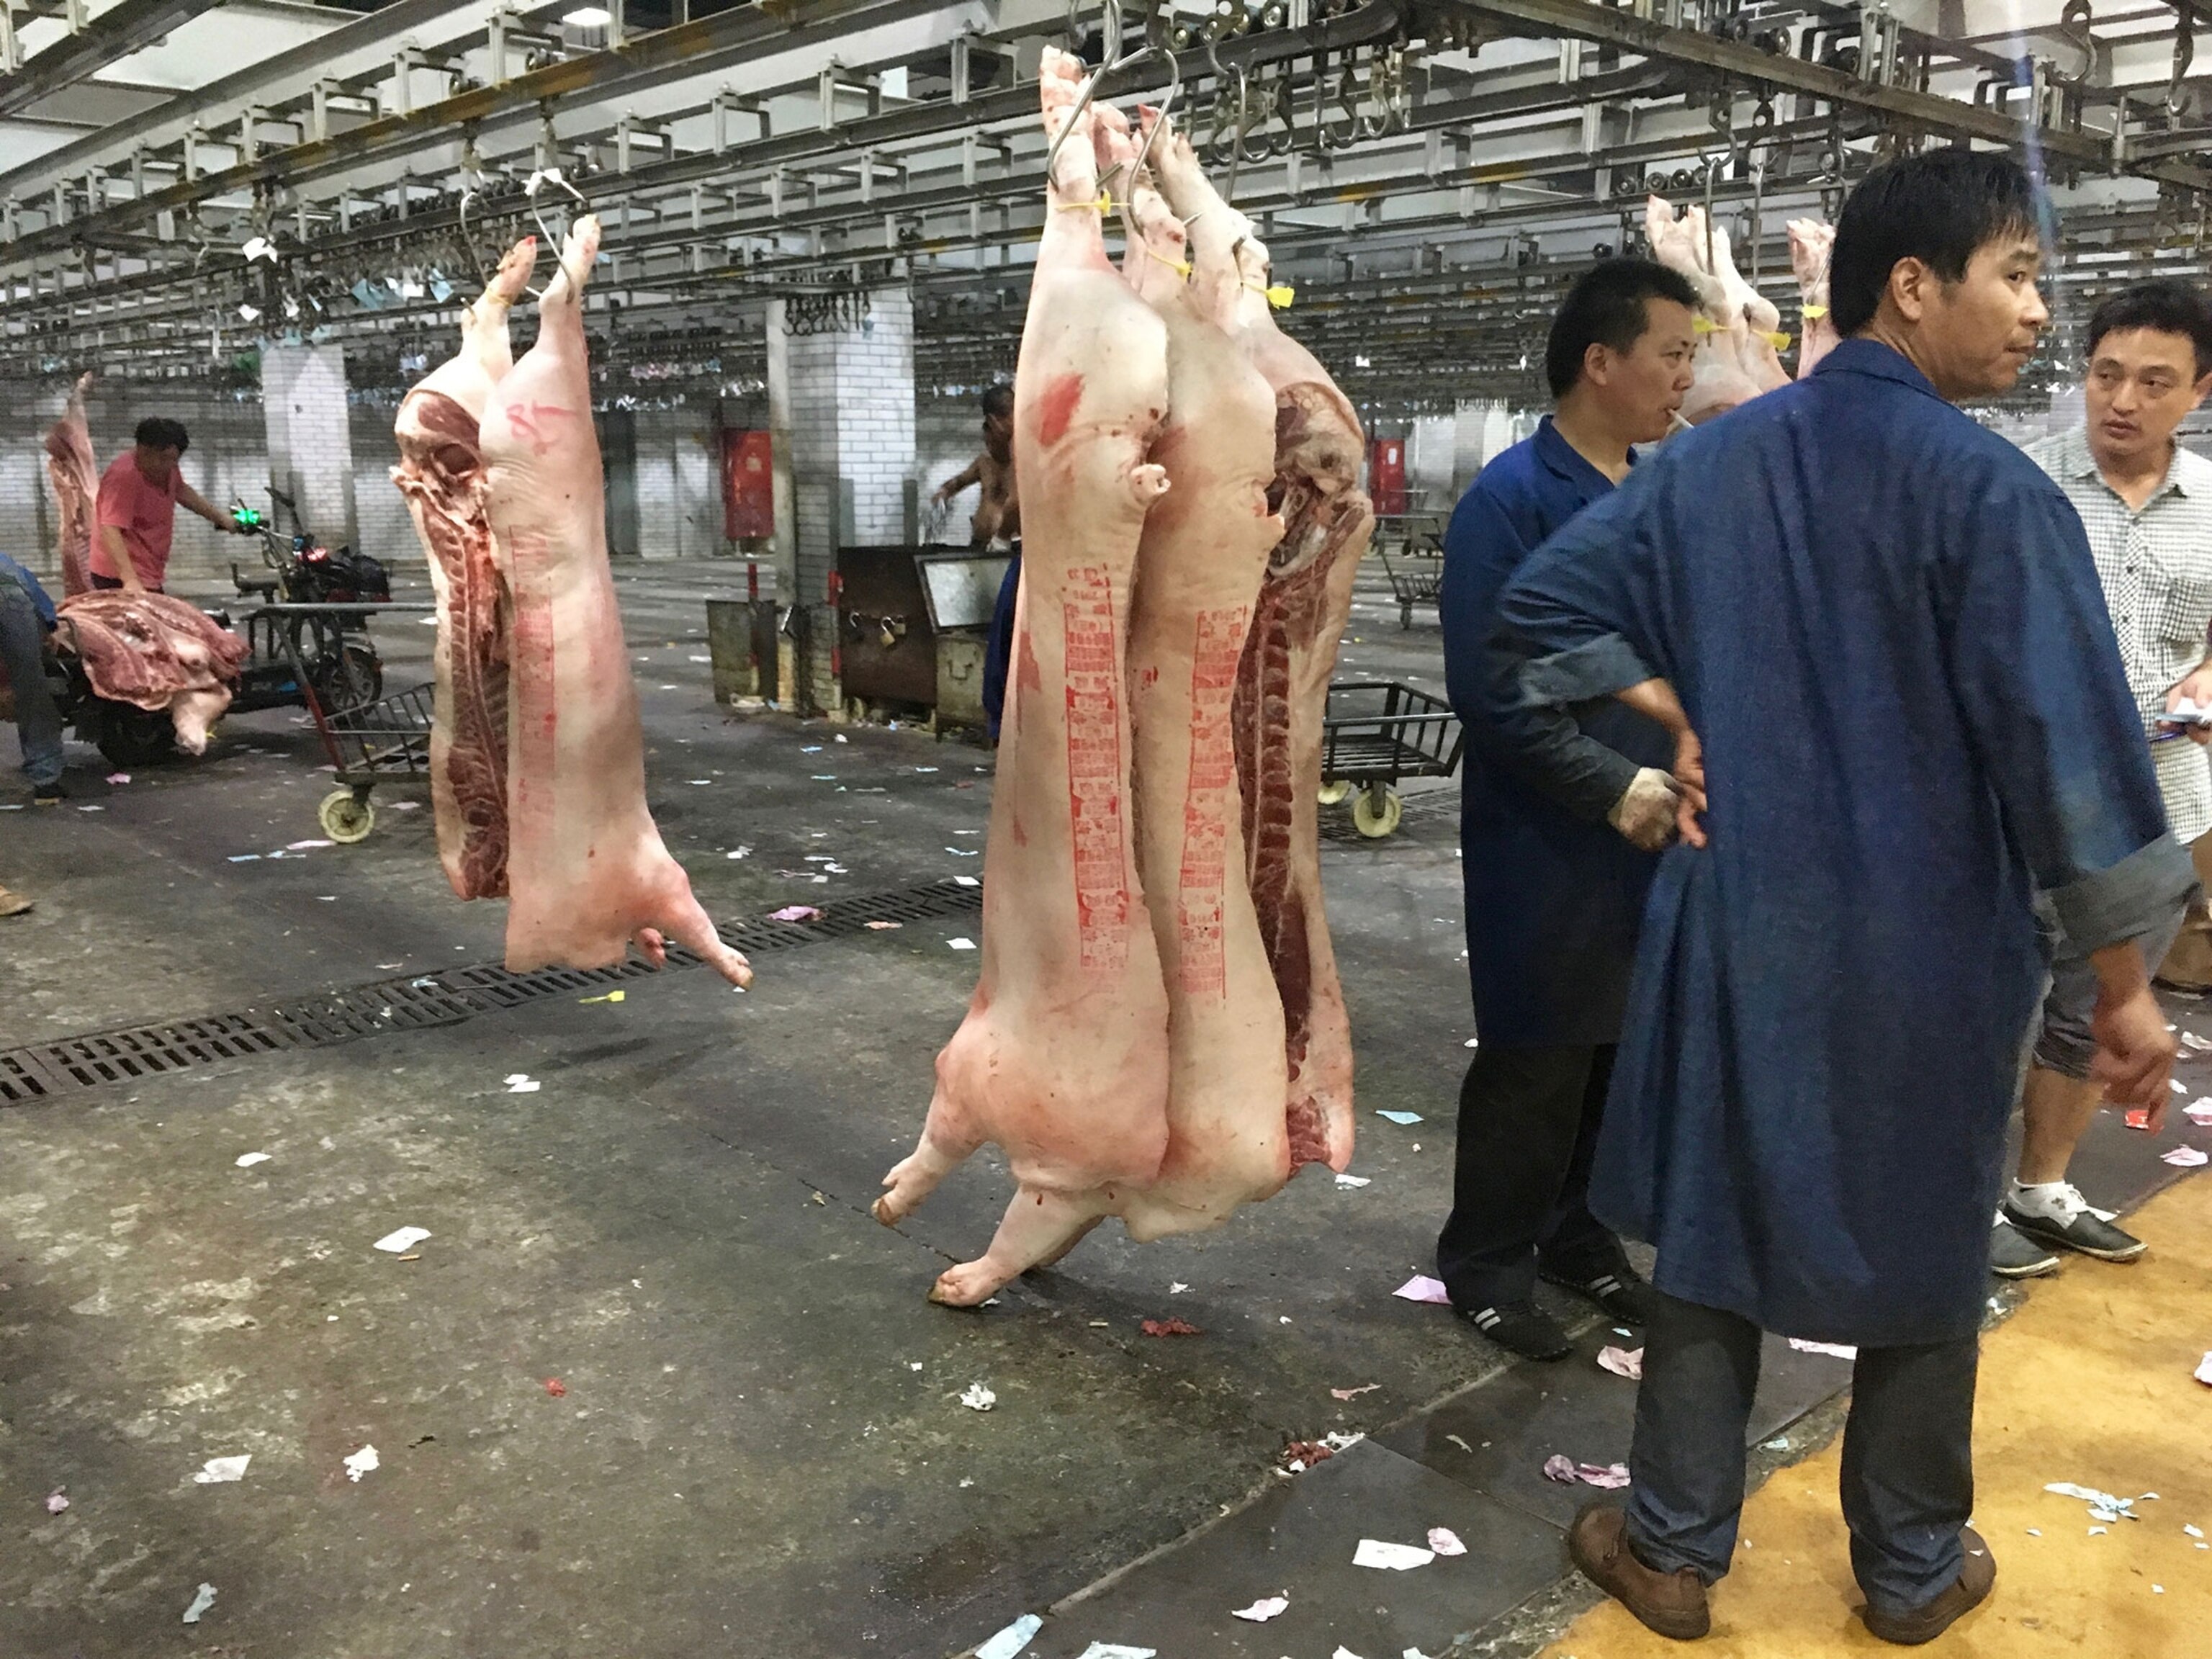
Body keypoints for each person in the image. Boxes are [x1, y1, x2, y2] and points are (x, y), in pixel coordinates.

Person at [1493, 150, 2188, 1645]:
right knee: (1925, 1245)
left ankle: (1671, 1548)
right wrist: (2123, 983)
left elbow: (1540, 615)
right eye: (2016, 277)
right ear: (1913, 287)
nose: (2035, 316)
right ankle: (1913, 1570)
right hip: (1930, 949)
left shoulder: (1704, 464)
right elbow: (2063, 751)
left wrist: (1669, 716)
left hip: (1738, 927)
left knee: (1714, 1234)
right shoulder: (1990, 493)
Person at [1434, 258, 1699, 1360]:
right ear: (1603, 362)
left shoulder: (1654, 489)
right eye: (1673, 354)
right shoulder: (1513, 499)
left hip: (1654, 827)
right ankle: (1487, 1259)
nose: (1687, 376)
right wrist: (1610, 784)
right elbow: (1496, 688)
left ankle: (1576, 1236)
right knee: (1536, 1055)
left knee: (1618, 1053)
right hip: (1547, 837)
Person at [1990, 279, 2212, 1276]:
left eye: (2154, 382)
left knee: (2090, 1015)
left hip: (2158, 806)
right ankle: (1954, 1201)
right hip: (2024, 814)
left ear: (2198, 392)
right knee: (1988, 1005)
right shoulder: (2020, 489)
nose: (2123, 399)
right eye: (2106, 374)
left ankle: (2041, 1186)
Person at [90, 416, 246, 595]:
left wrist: (222, 519)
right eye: (158, 458)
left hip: (148, 568)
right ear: (141, 450)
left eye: (171, 460)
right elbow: (110, 529)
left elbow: (180, 490)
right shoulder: (124, 477)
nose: (163, 465)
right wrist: (130, 580)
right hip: (118, 575)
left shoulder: (167, 467)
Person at [0, 549, 66, 806]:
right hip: (13, 603)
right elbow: (41, 602)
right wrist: (50, 627)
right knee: (32, 691)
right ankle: (46, 783)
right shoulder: (8, 563)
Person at [932, 385, 1020, 547]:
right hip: (981, 542)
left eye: (992, 442)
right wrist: (944, 492)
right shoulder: (984, 462)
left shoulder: (1019, 462)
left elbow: (1015, 504)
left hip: (1007, 543)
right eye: (987, 443)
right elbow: (959, 481)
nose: (990, 447)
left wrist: (1002, 538)